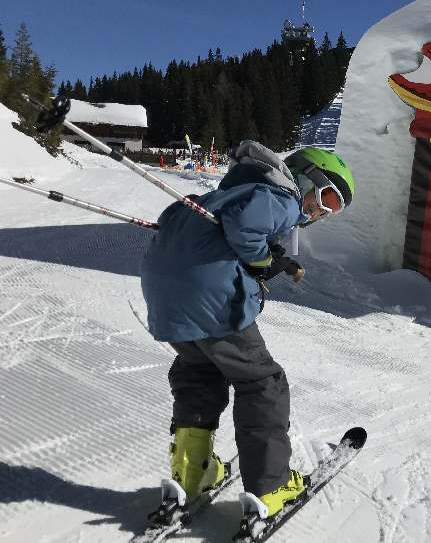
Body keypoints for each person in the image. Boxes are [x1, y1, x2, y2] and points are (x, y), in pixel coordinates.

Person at [140, 141, 354, 523]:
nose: (320, 212)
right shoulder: (282, 196)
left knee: (199, 372)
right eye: (326, 198)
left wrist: (258, 259)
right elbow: (246, 227)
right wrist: (261, 261)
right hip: (212, 301)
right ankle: (270, 487)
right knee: (261, 382)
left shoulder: (226, 192)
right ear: (306, 178)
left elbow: (182, 220)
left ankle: (192, 473)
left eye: (332, 210)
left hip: (165, 299)